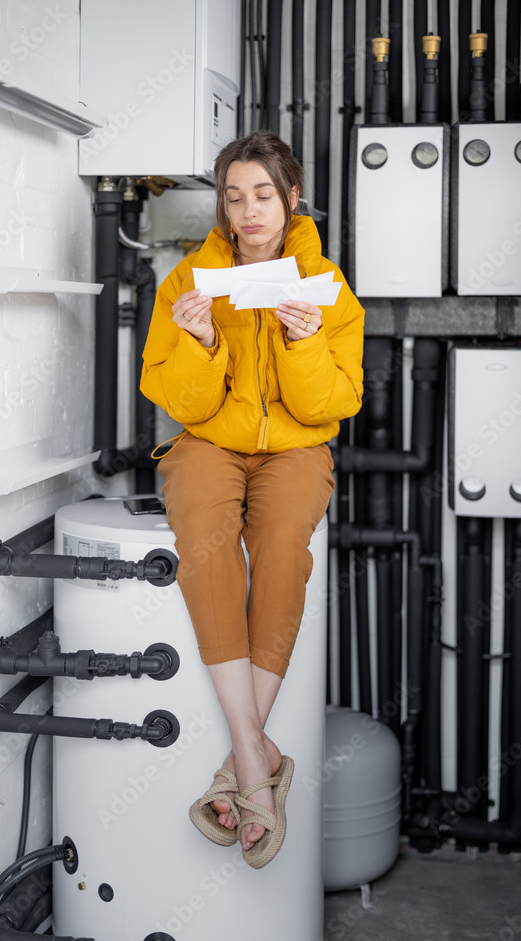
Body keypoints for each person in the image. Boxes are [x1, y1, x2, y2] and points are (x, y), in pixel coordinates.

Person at [140, 131, 364, 869]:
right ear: (222, 206)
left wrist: (301, 342)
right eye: (233, 196)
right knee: (201, 532)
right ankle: (256, 759)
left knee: (280, 551)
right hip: (212, 441)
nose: (248, 209)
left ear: (291, 197)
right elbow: (174, 400)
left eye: (262, 194)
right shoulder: (189, 282)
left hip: (296, 448)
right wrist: (200, 345)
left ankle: (238, 769)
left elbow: (335, 402)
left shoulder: (325, 286)